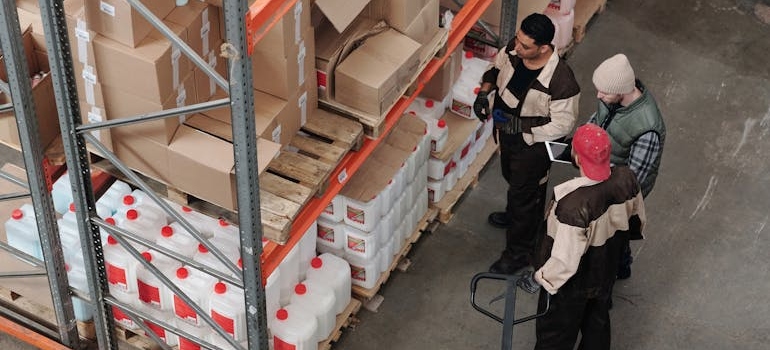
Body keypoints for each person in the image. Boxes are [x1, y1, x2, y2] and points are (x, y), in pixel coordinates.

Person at [517, 124, 646, 350]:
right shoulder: (626, 178)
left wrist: (542, 278)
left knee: (555, 336)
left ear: (575, 156)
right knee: (597, 324)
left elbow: (565, 262)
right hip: (606, 269)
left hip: (572, 286)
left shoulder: (572, 207)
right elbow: (637, 221)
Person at [473, 13, 581, 274]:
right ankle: (516, 217)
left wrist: (522, 129)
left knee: (526, 195)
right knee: (512, 179)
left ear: (544, 47)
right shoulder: (515, 49)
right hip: (508, 134)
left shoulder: (561, 81)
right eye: (518, 41)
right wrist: (484, 94)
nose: (516, 48)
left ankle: (520, 252)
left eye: (525, 46)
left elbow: (563, 125)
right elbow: (495, 68)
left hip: (533, 147)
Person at [588, 53, 665, 279]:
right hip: (603, 176)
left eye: (604, 91)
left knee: (615, 233)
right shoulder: (611, 96)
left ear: (622, 91)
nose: (598, 95)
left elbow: (632, 181)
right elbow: (599, 119)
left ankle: (618, 267)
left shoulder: (647, 127)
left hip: (619, 192)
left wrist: (599, 171)